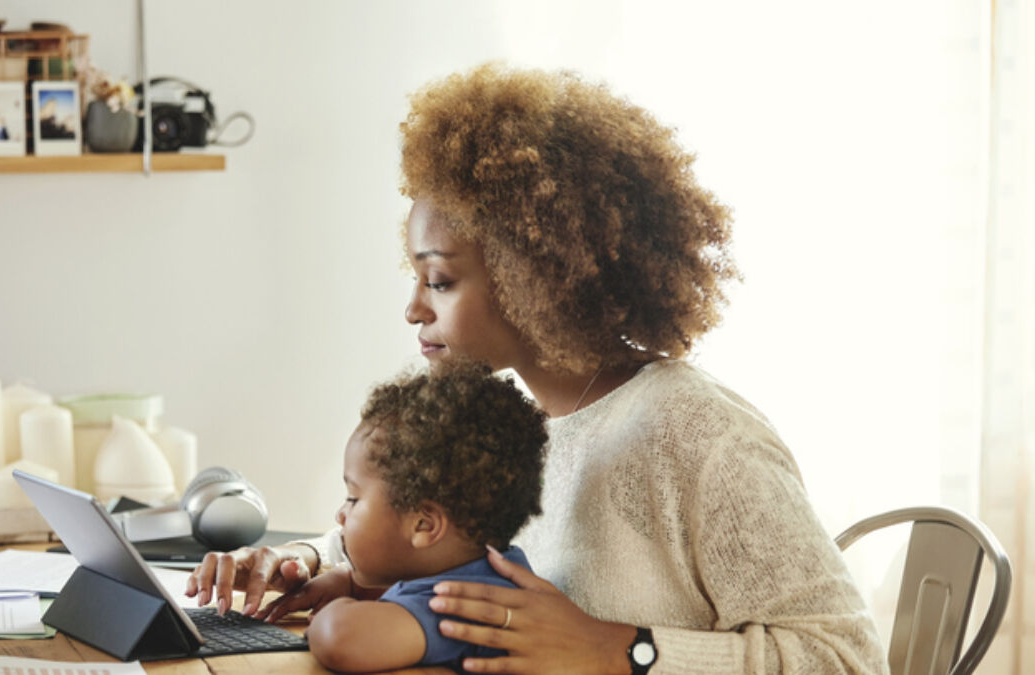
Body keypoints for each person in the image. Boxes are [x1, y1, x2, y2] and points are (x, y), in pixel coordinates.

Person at [187, 62, 888, 674]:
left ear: (535, 275)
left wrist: (624, 651)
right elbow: (430, 533)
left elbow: (850, 658)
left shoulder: (695, 431)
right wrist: (307, 561)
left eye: (440, 281)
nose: (413, 310)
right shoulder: (518, 423)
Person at [260, 360, 548, 672]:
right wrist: (349, 584)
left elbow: (341, 638)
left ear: (424, 525)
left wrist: (334, 613)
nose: (340, 515)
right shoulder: (490, 571)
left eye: (353, 499)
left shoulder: (468, 603)